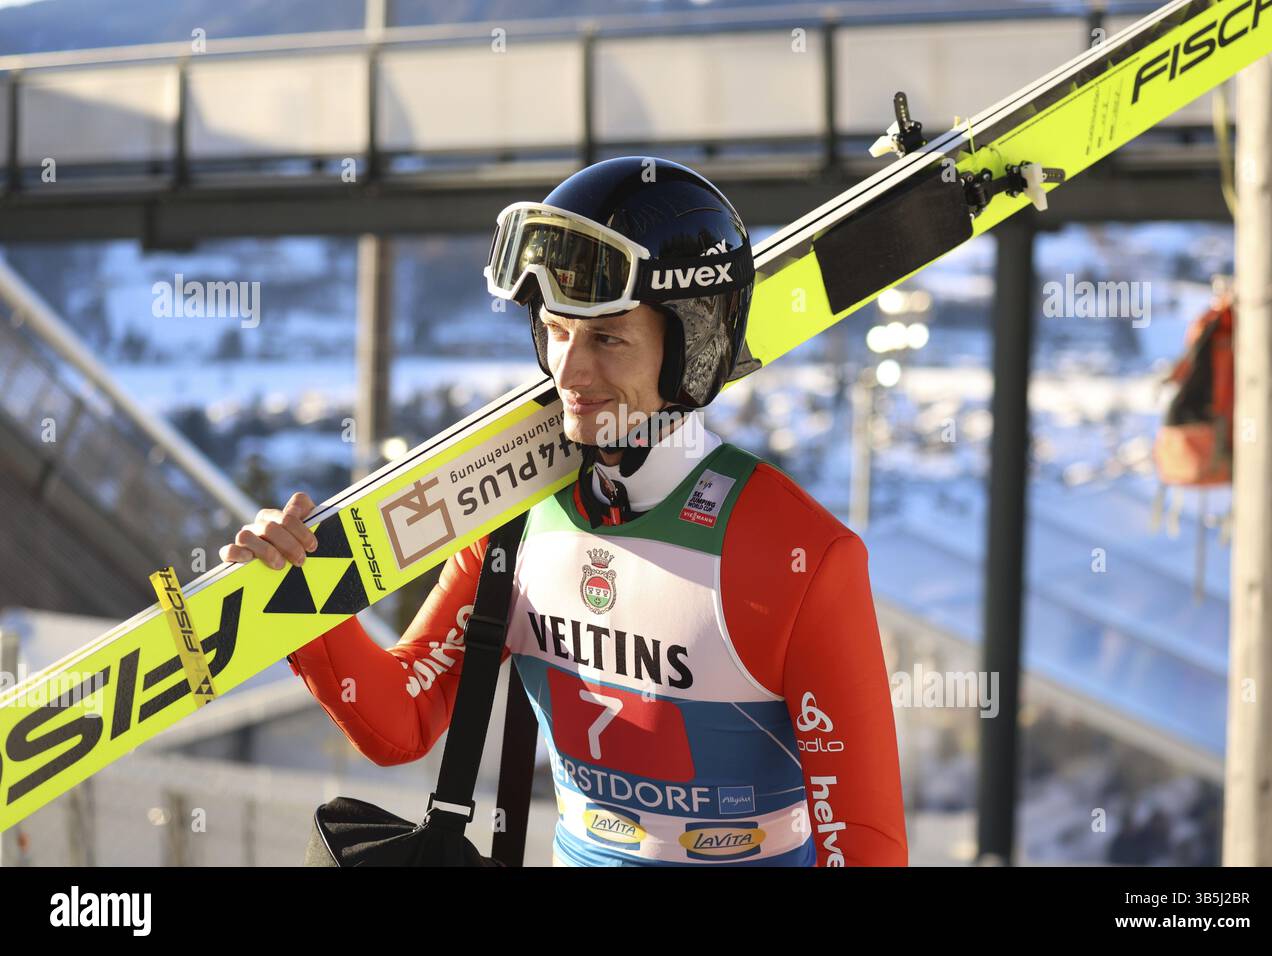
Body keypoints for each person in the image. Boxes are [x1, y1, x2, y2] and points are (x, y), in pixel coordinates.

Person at [220, 156, 907, 867]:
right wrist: (295, 592)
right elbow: (401, 720)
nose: (570, 372)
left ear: (692, 346)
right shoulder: (516, 521)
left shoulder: (804, 559)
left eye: (607, 338)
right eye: (555, 330)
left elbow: (863, 847)